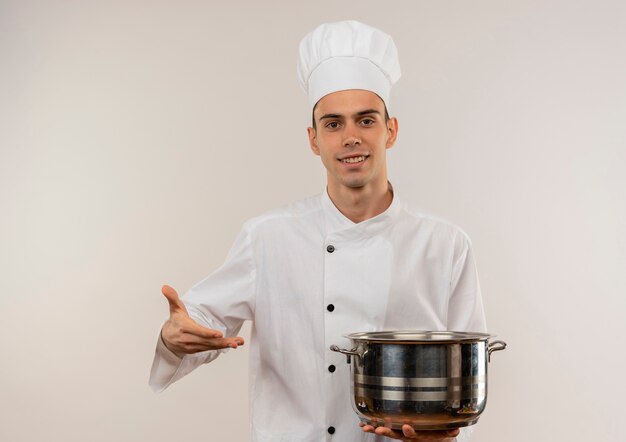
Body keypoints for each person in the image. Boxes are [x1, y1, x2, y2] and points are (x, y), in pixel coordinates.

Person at [150, 20, 486, 442]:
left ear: (391, 131)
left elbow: (469, 376)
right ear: (313, 139)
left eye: (366, 120)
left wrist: (446, 436)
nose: (350, 138)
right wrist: (174, 338)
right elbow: (201, 320)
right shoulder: (268, 237)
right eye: (333, 124)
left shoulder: (445, 244)